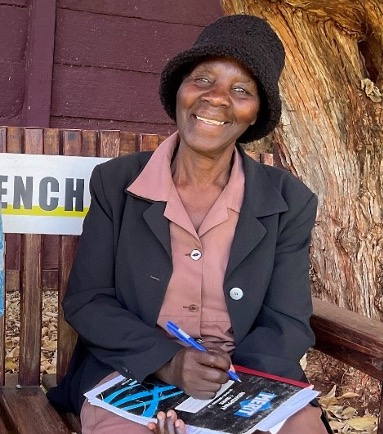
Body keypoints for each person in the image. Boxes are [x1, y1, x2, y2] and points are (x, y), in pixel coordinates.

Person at [47, 14, 332, 434]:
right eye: (202, 80)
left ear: (256, 113)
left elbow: (287, 322)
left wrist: (230, 387)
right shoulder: (117, 183)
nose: (215, 99)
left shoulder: (289, 202)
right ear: (179, 90)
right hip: (134, 373)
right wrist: (169, 361)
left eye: (240, 90)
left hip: (246, 377)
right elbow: (88, 300)